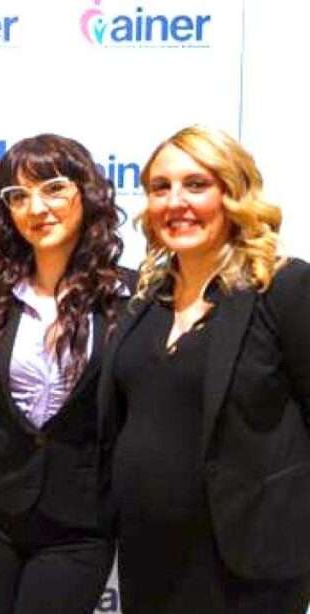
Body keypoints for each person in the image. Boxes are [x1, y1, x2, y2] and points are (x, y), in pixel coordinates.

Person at [99, 125, 310, 612]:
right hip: (149, 556)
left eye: (196, 185)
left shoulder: (282, 288)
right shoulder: (146, 300)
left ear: (233, 194)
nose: (176, 202)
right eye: (160, 187)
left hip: (247, 562)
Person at [0, 135, 130, 613]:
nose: (36, 208)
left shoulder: (128, 298)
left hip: (82, 521)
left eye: (54, 188)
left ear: (86, 192)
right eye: (18, 195)